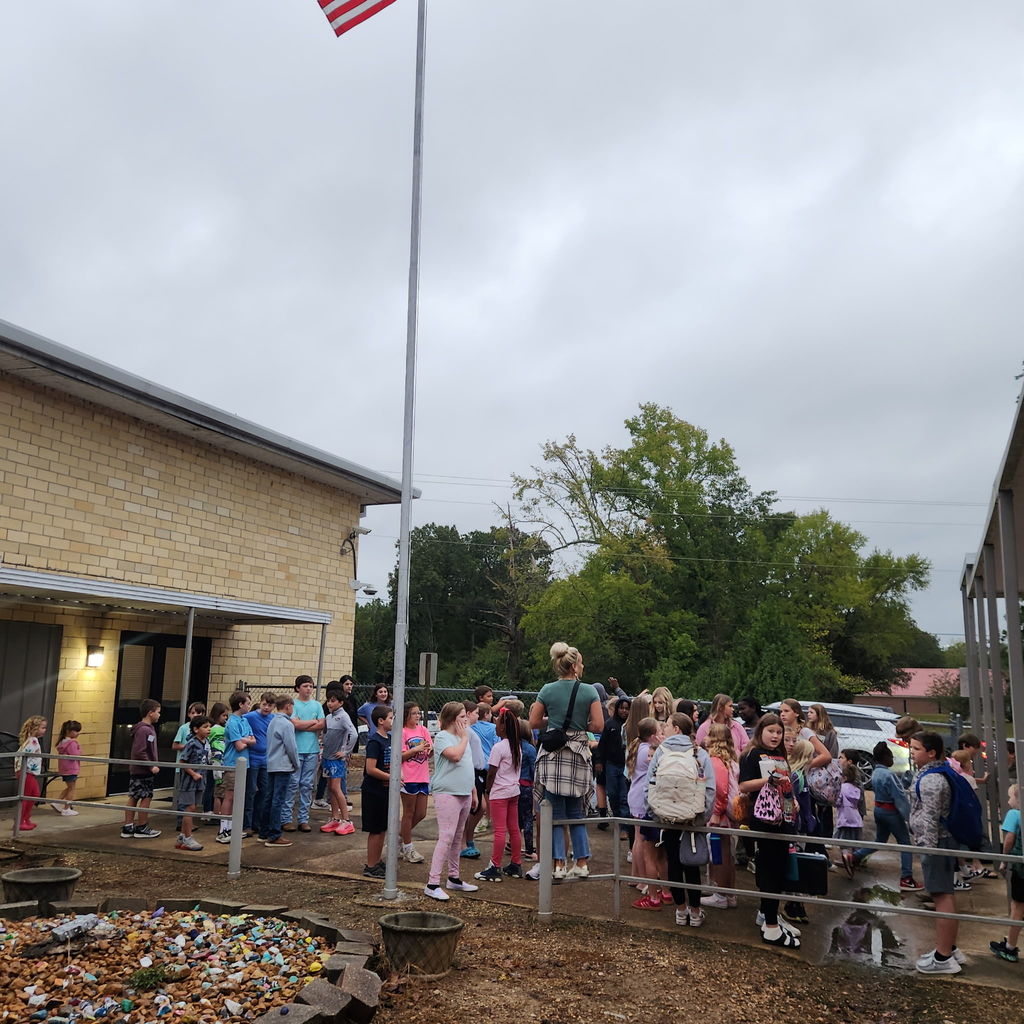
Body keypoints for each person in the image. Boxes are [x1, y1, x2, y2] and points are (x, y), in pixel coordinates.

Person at [528, 642, 603, 880]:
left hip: (553, 755)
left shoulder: (547, 690)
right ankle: (581, 862)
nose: (583, 665)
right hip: (579, 752)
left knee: (555, 813)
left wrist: (554, 723)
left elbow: (533, 722)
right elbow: (599, 725)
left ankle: (558, 864)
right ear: (573, 666)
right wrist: (579, 726)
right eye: (580, 662)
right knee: (576, 812)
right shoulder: (589, 691)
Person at [738, 713, 800, 948]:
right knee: (769, 868)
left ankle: (769, 915)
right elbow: (744, 785)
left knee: (780, 866)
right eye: (771, 731)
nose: (775, 736)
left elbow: (787, 783)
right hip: (764, 818)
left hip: (784, 817)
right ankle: (771, 926)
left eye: (779, 732)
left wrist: (791, 799)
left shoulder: (780, 754)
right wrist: (768, 781)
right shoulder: (752, 754)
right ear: (761, 731)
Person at [649, 712, 716, 926]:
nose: (665, 729)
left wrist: (655, 814)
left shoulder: (661, 752)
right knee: (692, 864)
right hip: (692, 819)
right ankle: (695, 912)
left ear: (676, 728)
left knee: (674, 862)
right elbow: (710, 790)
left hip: (667, 818)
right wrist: (701, 818)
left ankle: (680, 910)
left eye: (667, 725)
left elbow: (649, 786)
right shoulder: (699, 753)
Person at [910, 730, 967, 974]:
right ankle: (949, 949)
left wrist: (928, 850)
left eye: (916, 749)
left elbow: (931, 817)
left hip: (936, 845)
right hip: (940, 844)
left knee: (942, 897)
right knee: (944, 895)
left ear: (931, 752)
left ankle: (943, 958)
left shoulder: (932, 780)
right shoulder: (936, 773)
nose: (911, 753)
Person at [424, 701, 480, 901]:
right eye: (463, 716)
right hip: (447, 792)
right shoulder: (442, 737)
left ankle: (454, 878)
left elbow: (468, 765)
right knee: (446, 836)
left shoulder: (461, 738)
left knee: (458, 837)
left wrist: (473, 791)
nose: (466, 720)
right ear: (453, 719)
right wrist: (464, 737)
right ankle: (432, 883)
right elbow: (455, 756)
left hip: (464, 792)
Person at [851, 741, 921, 890]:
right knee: (905, 844)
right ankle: (906, 878)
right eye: (891, 756)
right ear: (884, 758)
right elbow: (900, 799)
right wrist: (910, 820)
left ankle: (855, 856)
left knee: (880, 840)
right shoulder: (889, 775)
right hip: (891, 812)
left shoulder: (876, 772)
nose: (893, 759)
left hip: (879, 810)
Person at [474, 707, 525, 881]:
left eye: (497, 723)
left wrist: (488, 789)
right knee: (514, 828)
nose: (495, 725)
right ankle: (516, 864)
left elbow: (491, 772)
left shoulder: (499, 747)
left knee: (500, 830)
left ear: (503, 727)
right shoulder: (516, 746)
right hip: (514, 791)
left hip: (500, 793)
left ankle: (494, 866)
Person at [627, 717, 665, 908]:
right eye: (659, 731)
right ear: (651, 735)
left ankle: (637, 876)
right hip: (642, 799)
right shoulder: (647, 751)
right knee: (642, 840)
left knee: (637, 838)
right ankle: (643, 879)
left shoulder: (637, 746)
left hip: (635, 796)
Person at [702, 721, 739, 910]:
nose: (705, 738)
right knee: (727, 854)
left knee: (721, 853)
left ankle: (721, 895)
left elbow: (721, 789)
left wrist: (716, 812)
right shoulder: (731, 760)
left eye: (708, 734)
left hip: (721, 815)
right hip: (729, 814)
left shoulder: (715, 761)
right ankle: (729, 893)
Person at [284, 675, 324, 834]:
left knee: (307, 785)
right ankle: (286, 818)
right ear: (298, 688)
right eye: (305, 686)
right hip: (296, 750)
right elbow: (294, 724)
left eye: (311, 686)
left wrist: (304, 724)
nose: (309, 689)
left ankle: (303, 819)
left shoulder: (317, 705)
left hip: (312, 750)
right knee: (292, 784)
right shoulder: (293, 705)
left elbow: (321, 724)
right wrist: (312, 723)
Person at [990, 783, 1024, 962]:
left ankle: (1010, 947)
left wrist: (1004, 860)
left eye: (1010, 797)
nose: (1009, 801)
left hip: (1021, 869)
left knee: (1017, 906)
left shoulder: (1014, 814)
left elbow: (1009, 839)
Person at [121, 699, 162, 839]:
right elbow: (139, 751)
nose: (159, 715)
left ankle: (129, 826)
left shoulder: (146, 729)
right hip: (143, 770)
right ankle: (142, 826)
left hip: (140, 769)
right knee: (145, 796)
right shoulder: (144, 730)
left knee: (134, 796)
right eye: (158, 712)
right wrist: (151, 765)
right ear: (150, 713)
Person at [361, 705, 394, 879]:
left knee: (382, 828)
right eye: (390, 718)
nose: (393, 721)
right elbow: (371, 768)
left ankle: (377, 860)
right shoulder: (375, 741)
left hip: (385, 790)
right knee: (375, 829)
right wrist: (391, 776)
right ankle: (371, 865)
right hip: (374, 790)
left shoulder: (389, 738)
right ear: (381, 721)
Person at [219, 690, 256, 844]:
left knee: (237, 797)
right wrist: (246, 740)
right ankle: (223, 830)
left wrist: (246, 740)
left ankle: (232, 827)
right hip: (232, 764)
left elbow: (253, 740)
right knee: (229, 796)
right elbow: (240, 746)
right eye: (247, 703)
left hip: (244, 764)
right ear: (240, 704)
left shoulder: (244, 721)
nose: (249, 706)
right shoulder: (232, 722)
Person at [320, 690, 358, 836]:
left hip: (337, 760)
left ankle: (347, 821)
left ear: (341, 703)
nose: (330, 703)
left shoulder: (343, 716)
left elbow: (353, 733)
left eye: (333, 700)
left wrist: (346, 751)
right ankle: (335, 818)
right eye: (329, 700)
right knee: (330, 788)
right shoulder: (329, 717)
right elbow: (326, 735)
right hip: (328, 758)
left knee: (336, 788)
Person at [594, 698, 631, 842]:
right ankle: (616, 820)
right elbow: (602, 745)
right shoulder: (610, 725)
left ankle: (624, 827)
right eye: (621, 708)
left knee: (623, 796)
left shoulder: (631, 725)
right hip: (611, 764)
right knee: (612, 794)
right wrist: (598, 762)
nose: (624, 711)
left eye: (627, 708)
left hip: (626, 765)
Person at [398, 702, 432, 859]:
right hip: (409, 777)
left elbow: (428, 750)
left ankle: (399, 837)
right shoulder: (402, 732)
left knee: (421, 813)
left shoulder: (423, 730)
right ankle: (408, 847)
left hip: (423, 776)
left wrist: (430, 749)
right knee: (409, 813)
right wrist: (415, 750)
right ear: (406, 715)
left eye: (419, 713)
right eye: (414, 713)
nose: (417, 716)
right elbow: (400, 756)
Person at [264, 694, 297, 848]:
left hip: (271, 763)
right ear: (288, 706)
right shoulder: (287, 724)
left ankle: (265, 831)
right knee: (278, 800)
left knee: (269, 798)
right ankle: (274, 835)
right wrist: (296, 764)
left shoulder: (272, 722)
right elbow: (291, 747)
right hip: (283, 765)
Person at [176, 715, 212, 851]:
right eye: (205, 727)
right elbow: (183, 762)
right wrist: (193, 773)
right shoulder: (191, 743)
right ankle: (188, 837)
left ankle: (182, 836)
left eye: (209, 726)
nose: (208, 729)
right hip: (189, 782)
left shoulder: (206, 742)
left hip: (201, 780)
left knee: (193, 807)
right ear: (196, 729)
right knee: (189, 808)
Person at [244, 692, 276, 842]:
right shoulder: (250, 717)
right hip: (253, 758)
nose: (266, 708)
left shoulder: (273, 718)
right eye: (264, 704)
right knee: (250, 791)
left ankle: (258, 823)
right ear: (260, 703)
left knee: (264, 791)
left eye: (270, 705)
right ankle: (247, 824)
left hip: (266, 759)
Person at [460, 701, 487, 858]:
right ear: (468, 713)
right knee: (472, 808)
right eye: (476, 712)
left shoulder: (470, 730)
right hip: (472, 771)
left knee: (480, 808)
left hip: (479, 771)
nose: (478, 715)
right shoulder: (465, 731)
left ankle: (468, 837)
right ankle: (463, 842)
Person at [471, 702, 499, 838]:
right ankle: (488, 817)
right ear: (487, 715)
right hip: (490, 764)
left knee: (479, 793)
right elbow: (497, 745)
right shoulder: (493, 728)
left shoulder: (471, 727)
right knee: (489, 793)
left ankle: (482, 819)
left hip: (476, 765)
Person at [835, 751, 864, 877]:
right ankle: (855, 858)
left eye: (841, 757)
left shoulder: (842, 788)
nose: (838, 759)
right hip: (856, 819)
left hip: (844, 818)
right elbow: (860, 801)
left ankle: (846, 856)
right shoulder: (857, 789)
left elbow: (838, 801)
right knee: (855, 839)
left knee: (843, 839)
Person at [16, 716, 47, 831]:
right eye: (43, 727)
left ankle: (25, 817)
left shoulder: (32, 740)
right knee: (27, 796)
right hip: (27, 772)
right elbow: (24, 755)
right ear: (35, 728)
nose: (45, 730)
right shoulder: (32, 741)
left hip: (28, 772)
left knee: (34, 794)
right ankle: (20, 820)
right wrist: (22, 769)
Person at [518, 719, 538, 861]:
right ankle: (530, 849)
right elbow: (534, 771)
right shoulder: (530, 749)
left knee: (515, 819)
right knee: (527, 819)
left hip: (512, 786)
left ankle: (514, 845)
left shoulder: (510, 746)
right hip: (526, 786)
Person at [54, 720, 83, 815]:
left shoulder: (62, 742)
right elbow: (75, 754)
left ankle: (57, 802)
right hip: (71, 769)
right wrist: (79, 749)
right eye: (76, 731)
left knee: (69, 787)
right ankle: (66, 808)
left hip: (65, 768)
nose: (78, 733)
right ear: (68, 731)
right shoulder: (72, 743)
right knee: (72, 789)